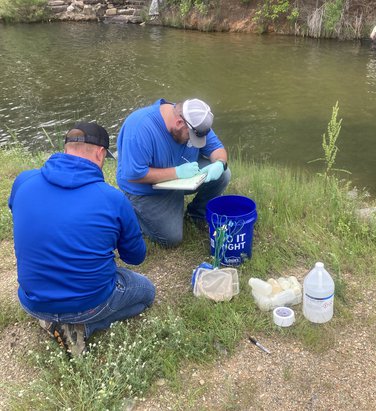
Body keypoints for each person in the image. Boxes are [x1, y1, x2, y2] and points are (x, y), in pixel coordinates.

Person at [9, 122, 155, 356]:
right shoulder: (113, 199)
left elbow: (18, 213)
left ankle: (53, 321)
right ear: (100, 153)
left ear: (66, 149)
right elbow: (136, 257)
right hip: (88, 304)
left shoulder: (23, 181)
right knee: (146, 292)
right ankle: (85, 327)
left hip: (33, 302)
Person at [116, 98, 231, 247]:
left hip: (182, 179)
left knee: (224, 174)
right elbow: (134, 175)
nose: (193, 141)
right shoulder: (140, 127)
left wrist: (220, 163)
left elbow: (217, 149)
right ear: (179, 123)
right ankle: (131, 214)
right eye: (191, 138)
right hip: (146, 190)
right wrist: (176, 173)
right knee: (171, 239)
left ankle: (196, 215)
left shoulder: (196, 120)